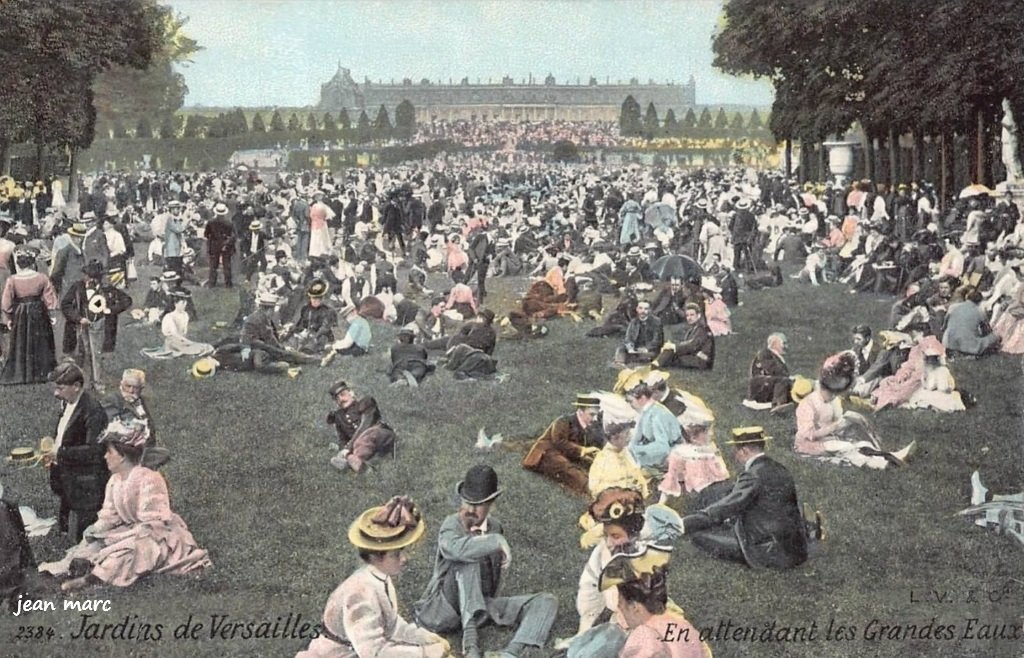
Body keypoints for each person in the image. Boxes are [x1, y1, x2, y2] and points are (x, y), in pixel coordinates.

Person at [39, 419, 210, 591]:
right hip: (130, 529)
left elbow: (153, 523)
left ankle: (91, 580)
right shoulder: (115, 480)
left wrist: (119, 539)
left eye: (109, 452)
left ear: (122, 456)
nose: (105, 456)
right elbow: (109, 515)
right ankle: (82, 568)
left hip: (157, 535)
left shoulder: (149, 478)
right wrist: (96, 530)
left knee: (129, 551)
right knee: (93, 545)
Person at [415, 465, 558, 658]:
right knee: (468, 557)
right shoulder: (451, 524)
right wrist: (495, 541)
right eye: (467, 502)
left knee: (546, 601)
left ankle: (511, 653)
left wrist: (494, 537)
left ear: (492, 503)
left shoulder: (495, 527)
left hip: (480, 606)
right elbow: (455, 548)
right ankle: (471, 646)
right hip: (443, 611)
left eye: (478, 504)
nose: (470, 510)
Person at [297, 498, 449, 658]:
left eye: (402, 551)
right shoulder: (360, 594)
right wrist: (423, 653)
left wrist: (424, 637)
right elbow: (373, 653)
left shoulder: (379, 579)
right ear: (375, 557)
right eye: (396, 555)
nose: (404, 559)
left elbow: (392, 626)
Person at [680, 426, 811, 569]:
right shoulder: (780, 468)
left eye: (736, 451)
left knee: (698, 536)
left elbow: (722, 510)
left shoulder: (752, 475)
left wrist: (681, 524)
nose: (735, 456)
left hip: (767, 550)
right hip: (795, 548)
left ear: (744, 451)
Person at [795, 352, 917, 469]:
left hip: (830, 439)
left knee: (863, 444)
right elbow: (809, 436)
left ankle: (890, 456)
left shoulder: (834, 401)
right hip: (809, 445)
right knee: (846, 448)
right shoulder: (808, 404)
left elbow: (836, 424)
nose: (835, 394)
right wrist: (836, 426)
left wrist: (849, 423)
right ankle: (886, 462)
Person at [600, 548, 711, 658]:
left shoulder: (643, 635)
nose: (620, 610)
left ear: (634, 607)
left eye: (621, 604)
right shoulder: (682, 625)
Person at [45, 362, 109, 541]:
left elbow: (95, 451)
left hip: (85, 481)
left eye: (60, 388)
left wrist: (61, 454)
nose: (56, 393)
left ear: (76, 386)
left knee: (81, 536)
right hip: (68, 473)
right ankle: (67, 528)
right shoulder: (69, 403)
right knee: (67, 519)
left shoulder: (92, 410)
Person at [522, 394, 605, 495]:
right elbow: (559, 442)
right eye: (591, 414)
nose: (595, 418)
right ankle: (593, 490)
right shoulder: (563, 421)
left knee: (593, 465)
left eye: (596, 415)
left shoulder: (589, 426)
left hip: (567, 454)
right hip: (546, 453)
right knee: (570, 470)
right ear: (580, 411)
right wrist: (583, 450)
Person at [0, 246, 58, 385]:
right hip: (38, 312)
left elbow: (6, 302)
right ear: (32, 263)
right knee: (41, 341)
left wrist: (8, 317)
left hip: (20, 313)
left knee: (20, 342)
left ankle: (21, 373)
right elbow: (50, 297)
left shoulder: (12, 280)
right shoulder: (41, 278)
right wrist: (51, 313)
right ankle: (41, 372)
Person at [326, 380, 396, 473]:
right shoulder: (339, 417)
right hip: (363, 448)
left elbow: (366, 425)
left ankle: (352, 460)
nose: (341, 400)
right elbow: (343, 439)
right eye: (337, 399)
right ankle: (362, 466)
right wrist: (342, 450)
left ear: (351, 393)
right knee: (346, 452)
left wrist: (348, 449)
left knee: (367, 435)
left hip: (381, 436)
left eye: (343, 394)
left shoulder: (366, 402)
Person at [624, 381, 683, 473]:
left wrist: (635, 450)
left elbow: (663, 447)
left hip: (672, 453)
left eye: (631, 401)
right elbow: (638, 436)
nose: (630, 405)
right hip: (656, 449)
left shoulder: (657, 414)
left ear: (642, 398)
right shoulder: (646, 412)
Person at [140, 290, 213, 360]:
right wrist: (189, 342)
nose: (185, 305)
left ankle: (194, 348)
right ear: (175, 304)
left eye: (185, 303)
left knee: (207, 347)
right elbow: (175, 334)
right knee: (198, 348)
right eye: (182, 303)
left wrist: (186, 341)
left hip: (182, 341)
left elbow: (184, 332)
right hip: (172, 343)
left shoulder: (185, 315)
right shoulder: (169, 317)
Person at [650, 303, 714, 371]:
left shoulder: (703, 329)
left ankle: (656, 363)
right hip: (693, 356)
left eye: (692, 315)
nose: (689, 318)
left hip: (701, 360)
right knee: (670, 352)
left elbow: (693, 345)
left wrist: (674, 347)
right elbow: (686, 343)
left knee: (671, 355)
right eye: (687, 315)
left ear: (698, 315)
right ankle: (657, 363)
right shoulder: (693, 328)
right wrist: (672, 345)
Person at [102, 368, 156, 445]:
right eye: (128, 386)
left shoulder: (142, 401)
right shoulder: (112, 400)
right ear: (121, 384)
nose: (131, 391)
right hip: (122, 448)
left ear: (141, 388)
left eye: (135, 387)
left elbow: (150, 425)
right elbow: (112, 427)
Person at [285, 280, 338, 355]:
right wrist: (292, 330)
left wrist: (313, 336)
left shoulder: (328, 311)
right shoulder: (306, 308)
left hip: (320, 335)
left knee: (309, 348)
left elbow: (325, 328)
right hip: (306, 333)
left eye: (318, 298)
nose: (315, 300)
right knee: (291, 343)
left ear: (322, 298)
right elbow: (301, 324)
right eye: (313, 298)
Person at [943, 289, 1001, 357]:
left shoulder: (955, 307)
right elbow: (987, 330)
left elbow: (945, 323)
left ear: (967, 298)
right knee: (995, 337)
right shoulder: (979, 311)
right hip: (968, 346)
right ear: (980, 301)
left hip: (948, 343)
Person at [746, 332, 794, 410]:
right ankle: (778, 403)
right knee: (783, 381)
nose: (786, 346)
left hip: (768, 383)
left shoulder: (776, 356)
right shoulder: (765, 353)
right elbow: (773, 370)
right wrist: (789, 378)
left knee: (786, 381)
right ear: (774, 343)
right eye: (784, 343)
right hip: (760, 385)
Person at [614, 300, 664, 366]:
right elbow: (628, 338)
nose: (643, 311)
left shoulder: (656, 322)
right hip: (636, 348)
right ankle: (620, 363)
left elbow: (657, 340)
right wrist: (630, 348)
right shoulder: (633, 322)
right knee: (621, 349)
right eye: (640, 308)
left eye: (646, 309)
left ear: (650, 310)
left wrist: (646, 348)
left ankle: (632, 360)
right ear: (637, 309)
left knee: (649, 356)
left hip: (649, 350)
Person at [204, 202, 235, 288]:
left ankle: (212, 283)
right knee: (227, 265)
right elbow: (233, 236)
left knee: (213, 265)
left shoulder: (210, 222)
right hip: (226, 245)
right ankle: (228, 284)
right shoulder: (229, 223)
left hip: (214, 245)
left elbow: (206, 234)